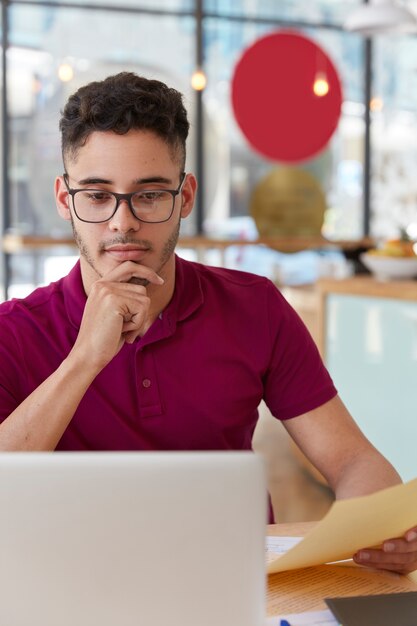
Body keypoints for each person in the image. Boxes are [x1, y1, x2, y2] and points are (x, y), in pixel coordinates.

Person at [0, 72, 415, 574]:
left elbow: (353, 461)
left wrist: (381, 527)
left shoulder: (255, 306)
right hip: (75, 586)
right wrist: (86, 356)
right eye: (97, 195)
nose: (122, 222)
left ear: (186, 197)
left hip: (235, 583)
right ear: (66, 200)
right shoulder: (13, 331)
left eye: (149, 195)